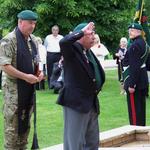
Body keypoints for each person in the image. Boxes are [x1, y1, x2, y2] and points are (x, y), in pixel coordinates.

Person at [57, 22, 105, 150]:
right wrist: (81, 32)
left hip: (91, 102)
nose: (93, 37)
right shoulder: (71, 51)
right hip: (76, 103)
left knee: (92, 142)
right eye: (90, 34)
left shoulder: (88, 52)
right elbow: (63, 42)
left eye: (93, 34)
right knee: (75, 143)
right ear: (80, 36)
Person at [0, 10, 43, 149]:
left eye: (34, 23)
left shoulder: (34, 40)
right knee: (12, 134)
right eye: (30, 23)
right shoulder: (9, 40)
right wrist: (26, 77)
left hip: (28, 92)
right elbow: (4, 65)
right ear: (20, 22)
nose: (32, 26)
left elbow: (36, 62)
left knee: (24, 130)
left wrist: (39, 74)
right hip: (14, 94)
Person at [123, 23, 149, 126]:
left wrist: (131, 84)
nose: (130, 32)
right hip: (142, 79)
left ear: (139, 32)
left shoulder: (135, 45)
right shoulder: (144, 43)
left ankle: (136, 132)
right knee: (140, 109)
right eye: (129, 30)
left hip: (135, 82)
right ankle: (141, 129)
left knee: (135, 112)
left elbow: (134, 66)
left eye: (132, 30)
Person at [44, 25, 63, 89]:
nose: (55, 31)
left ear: (58, 31)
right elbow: (45, 47)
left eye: (56, 30)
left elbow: (63, 47)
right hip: (50, 54)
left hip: (58, 54)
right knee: (50, 69)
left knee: (58, 69)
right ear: (52, 31)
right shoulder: (48, 37)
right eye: (54, 30)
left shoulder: (61, 37)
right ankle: (50, 85)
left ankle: (57, 84)